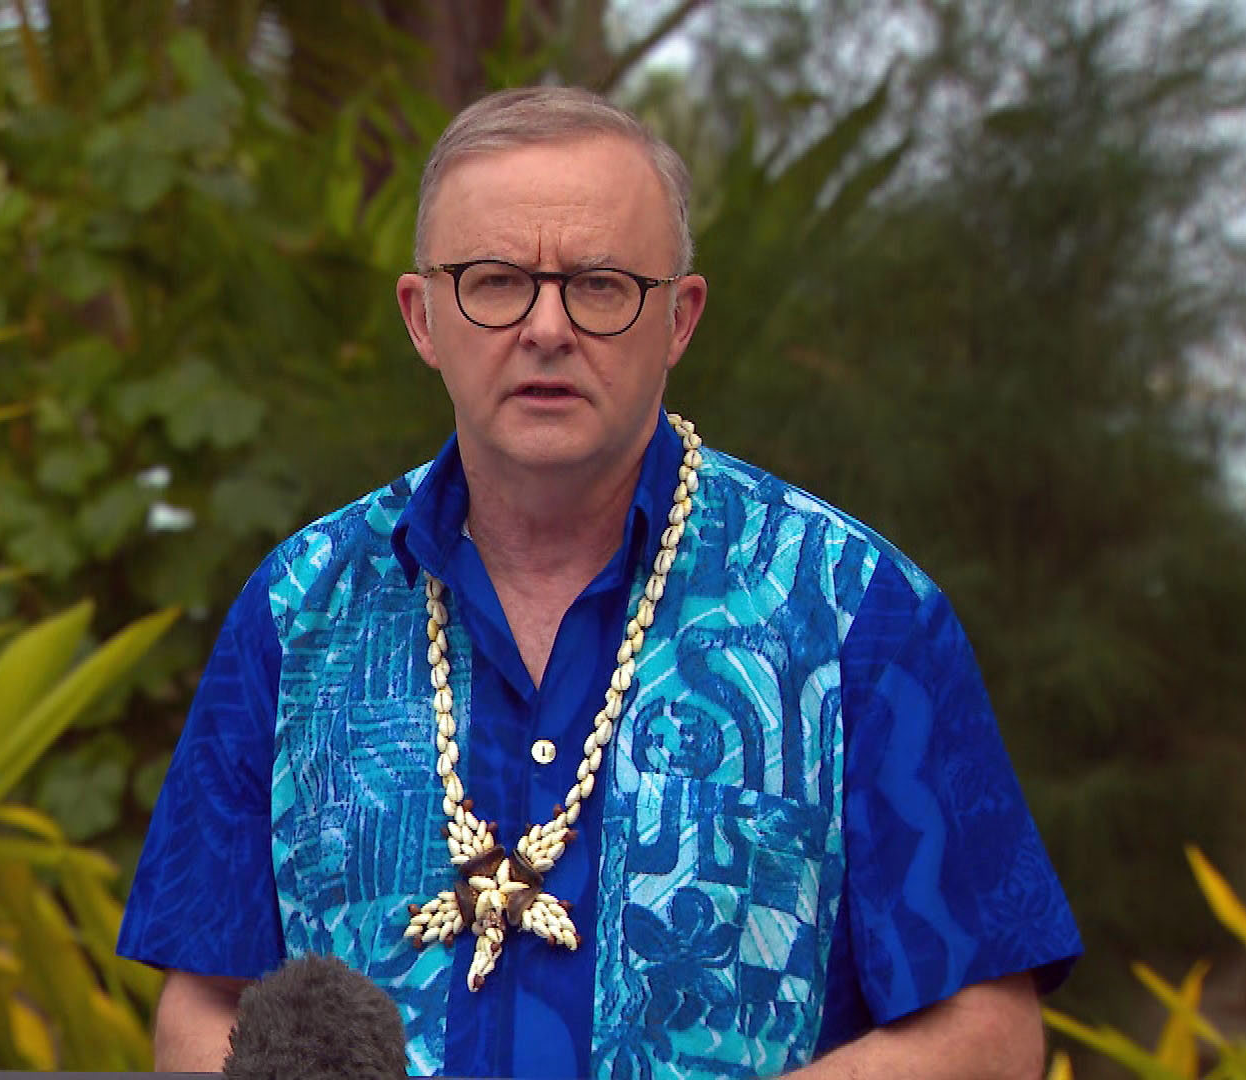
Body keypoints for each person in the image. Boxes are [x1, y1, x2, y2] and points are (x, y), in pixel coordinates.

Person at [117, 86, 1081, 1079]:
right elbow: (203, 1004)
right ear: (421, 317)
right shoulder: (296, 610)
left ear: (679, 318)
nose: (545, 328)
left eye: (601, 286)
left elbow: (989, 1033)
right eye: (493, 282)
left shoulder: (853, 608)